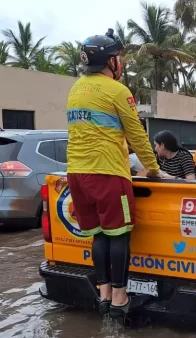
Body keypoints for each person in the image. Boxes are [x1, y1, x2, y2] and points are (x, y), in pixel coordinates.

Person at [65, 28, 170, 318]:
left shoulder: (76, 89)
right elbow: (136, 135)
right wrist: (154, 169)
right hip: (108, 173)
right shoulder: (117, 91)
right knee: (120, 234)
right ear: (110, 62)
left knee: (99, 235)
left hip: (76, 173)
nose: (120, 63)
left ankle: (104, 294)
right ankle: (121, 299)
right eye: (118, 58)